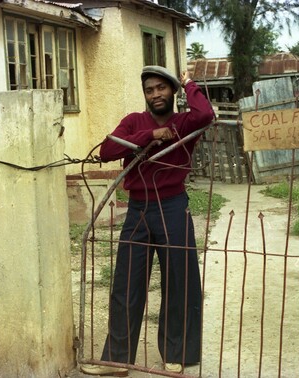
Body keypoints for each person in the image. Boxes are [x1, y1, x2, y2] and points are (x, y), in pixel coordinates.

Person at [81, 65, 214, 376]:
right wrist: (150, 135)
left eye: (161, 88)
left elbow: (206, 114)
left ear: (172, 91)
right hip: (138, 209)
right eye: (150, 90)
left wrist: (189, 82)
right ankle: (117, 360)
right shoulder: (133, 122)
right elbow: (108, 149)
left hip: (172, 207)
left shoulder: (185, 122)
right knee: (126, 283)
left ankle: (175, 353)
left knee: (179, 281)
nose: (156, 94)